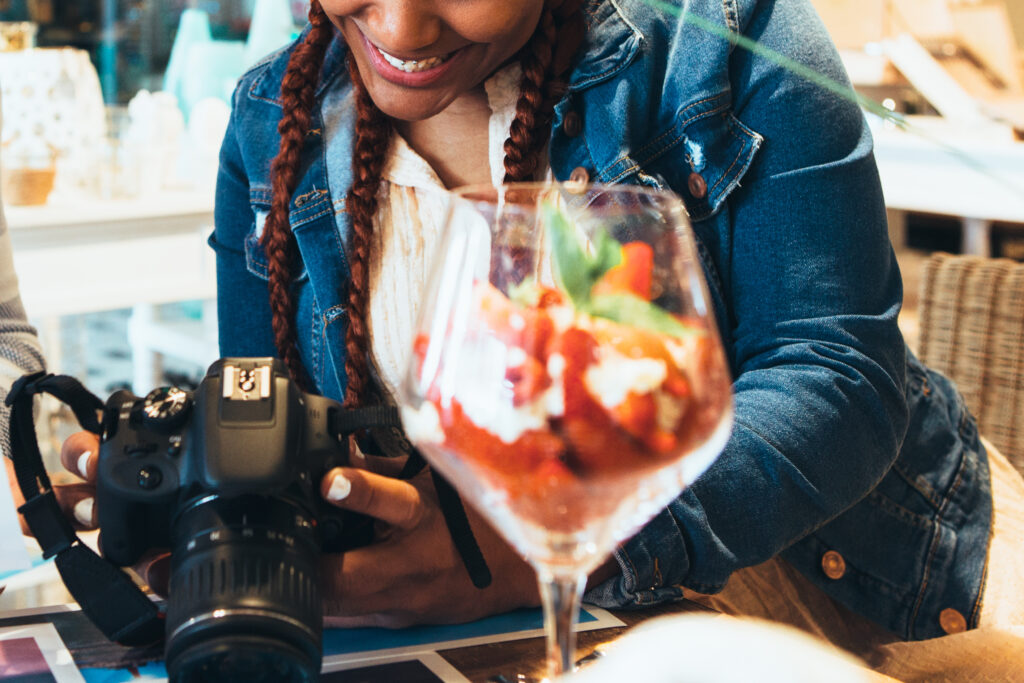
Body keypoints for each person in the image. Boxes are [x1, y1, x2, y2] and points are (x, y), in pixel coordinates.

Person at [62, 0, 1024, 675]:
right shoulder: (271, 119)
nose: (398, 28)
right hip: (506, 632)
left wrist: (529, 554)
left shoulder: (733, 40)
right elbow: (270, 409)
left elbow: (841, 379)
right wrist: (197, 477)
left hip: (858, 588)